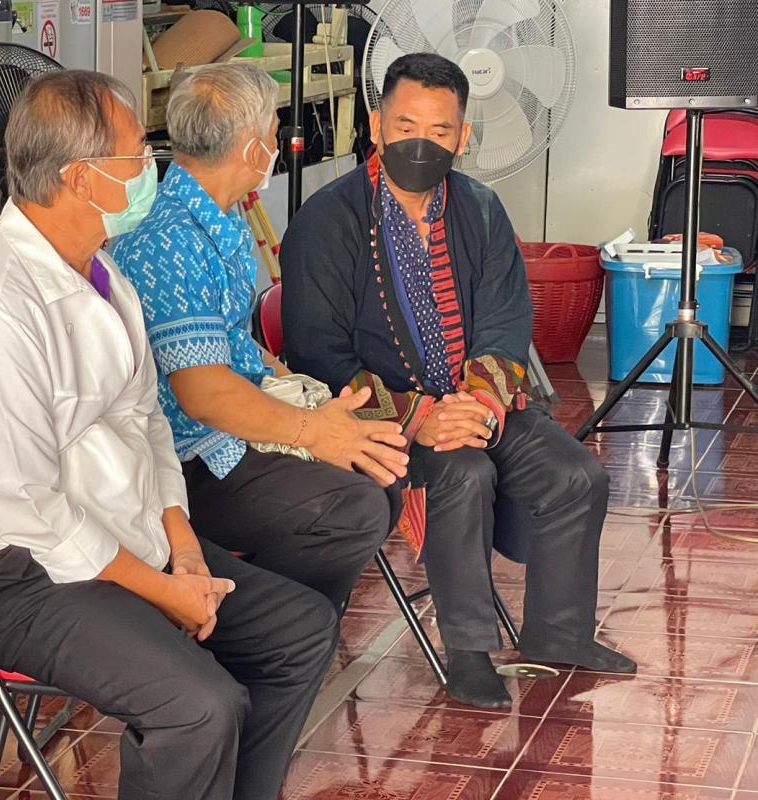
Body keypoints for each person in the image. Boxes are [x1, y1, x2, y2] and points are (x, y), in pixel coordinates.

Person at [0, 70, 338, 800]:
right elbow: (28, 510)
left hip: (119, 529)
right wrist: (163, 590)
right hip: (15, 572)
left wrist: (184, 549)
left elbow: (147, 423)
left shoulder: (101, 273)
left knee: (299, 629)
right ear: (82, 178)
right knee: (198, 708)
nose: (150, 169)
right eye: (137, 154)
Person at [279, 53, 635, 710]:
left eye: (439, 131)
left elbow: (506, 320)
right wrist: (420, 418)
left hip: (477, 405)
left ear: (463, 136)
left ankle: (560, 634)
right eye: (406, 125)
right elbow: (317, 354)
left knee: (576, 474)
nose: (421, 142)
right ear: (377, 126)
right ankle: (468, 652)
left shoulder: (480, 207)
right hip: (376, 420)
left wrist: (474, 405)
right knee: (462, 474)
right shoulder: (325, 221)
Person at [114, 63, 410, 618]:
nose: (278, 144)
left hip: (232, 427)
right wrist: (313, 433)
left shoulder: (218, 217)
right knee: (352, 508)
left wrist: (305, 395)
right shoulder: (169, 238)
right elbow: (204, 396)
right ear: (251, 150)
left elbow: (233, 344)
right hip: (188, 458)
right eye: (274, 132)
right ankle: (254, 627)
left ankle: (294, 628)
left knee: (379, 471)